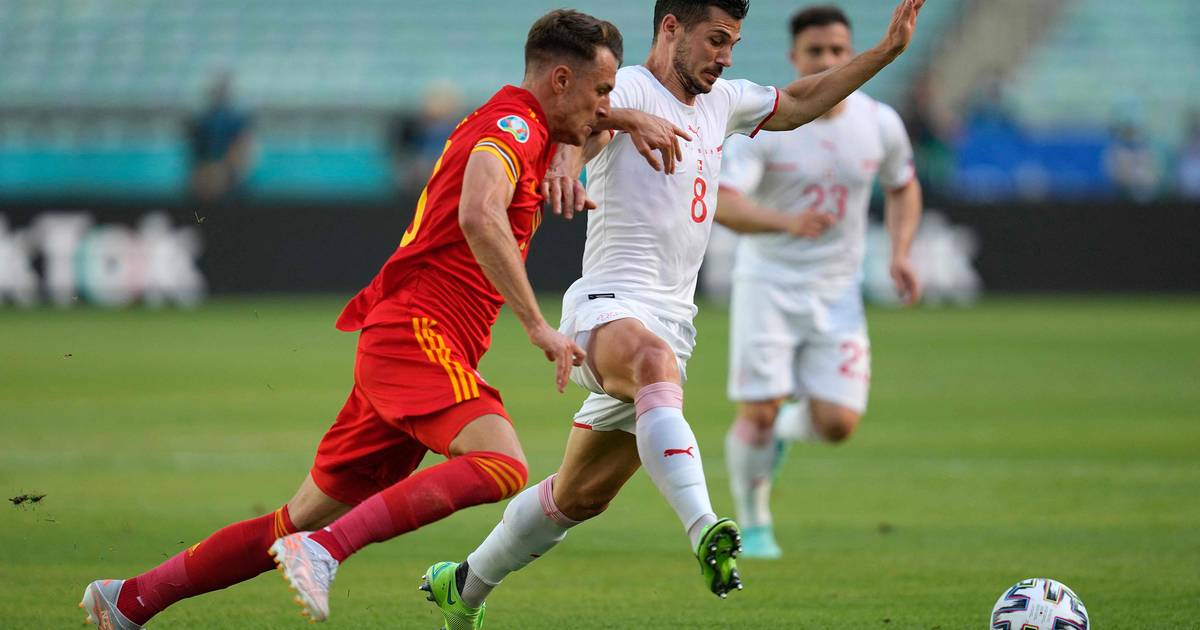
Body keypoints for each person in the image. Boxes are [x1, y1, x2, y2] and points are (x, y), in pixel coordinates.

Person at [79, 10, 687, 628]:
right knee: (500, 463)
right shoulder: (512, 129)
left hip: (405, 339)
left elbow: (577, 127)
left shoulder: (526, 119)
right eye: (602, 91)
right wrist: (535, 323)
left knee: (293, 519)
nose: (605, 106)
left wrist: (629, 115)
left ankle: (129, 599)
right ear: (560, 80)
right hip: (417, 333)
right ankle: (325, 551)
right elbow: (480, 215)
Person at [421, 0, 925, 626]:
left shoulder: (725, 100)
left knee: (576, 498)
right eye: (716, 40)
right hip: (606, 306)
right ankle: (706, 528)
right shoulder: (621, 87)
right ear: (670, 29)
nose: (726, 56)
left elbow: (797, 104)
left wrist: (886, 52)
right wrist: (567, 164)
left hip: (671, 323)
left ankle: (464, 586)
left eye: (733, 42)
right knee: (655, 363)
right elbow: (586, 129)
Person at [715, 5, 923, 559]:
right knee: (755, 411)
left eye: (838, 51)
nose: (828, 60)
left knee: (837, 424)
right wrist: (786, 222)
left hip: (838, 291)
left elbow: (903, 185)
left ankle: (786, 427)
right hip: (769, 282)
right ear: (794, 58)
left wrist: (900, 252)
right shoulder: (769, 127)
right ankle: (755, 525)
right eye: (816, 52)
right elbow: (724, 202)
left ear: (850, 55)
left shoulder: (879, 122)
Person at [188, 72, 254, 203]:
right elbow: (196, 151)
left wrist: (226, 168)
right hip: (206, 179)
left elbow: (242, 146)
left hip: (228, 177)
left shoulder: (237, 119)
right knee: (199, 217)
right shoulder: (203, 120)